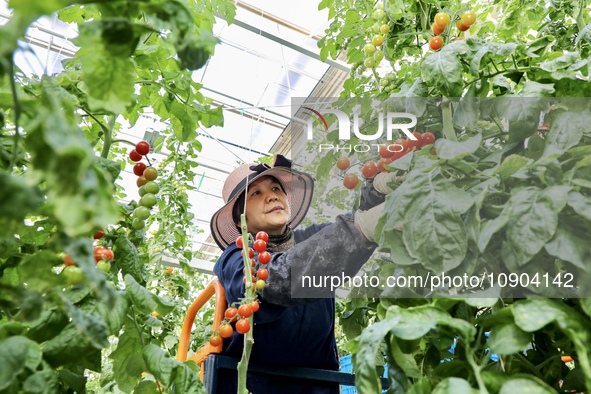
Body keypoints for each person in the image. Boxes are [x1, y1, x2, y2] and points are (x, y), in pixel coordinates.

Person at [210, 154, 397, 393]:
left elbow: (351, 228)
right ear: (240, 217)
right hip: (256, 385)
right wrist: (361, 229)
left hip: (317, 385)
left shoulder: (313, 239)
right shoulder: (235, 257)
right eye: (256, 193)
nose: (272, 195)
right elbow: (273, 282)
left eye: (276, 187)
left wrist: (378, 188)